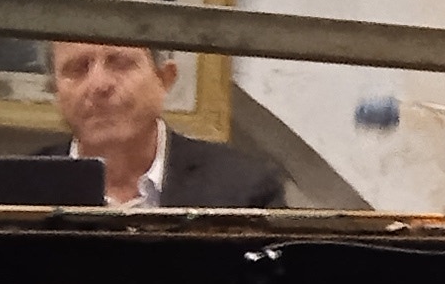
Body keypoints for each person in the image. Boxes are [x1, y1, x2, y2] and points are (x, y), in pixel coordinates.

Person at [40, 11, 284, 208]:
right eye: (78, 68)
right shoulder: (24, 189)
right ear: (54, 89)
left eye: (120, 63)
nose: (99, 85)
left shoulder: (244, 189)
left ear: (165, 78)